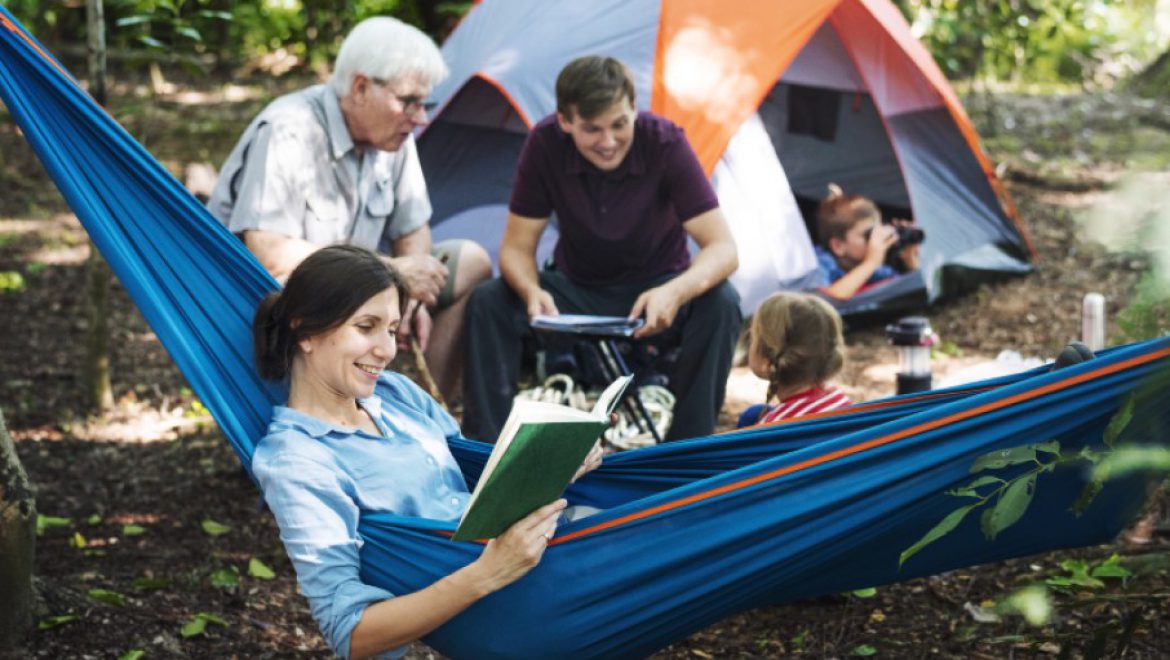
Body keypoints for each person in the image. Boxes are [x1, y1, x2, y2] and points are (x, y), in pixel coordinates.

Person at [250, 245, 603, 659]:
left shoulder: (395, 394)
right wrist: (487, 573)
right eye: (367, 326)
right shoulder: (298, 461)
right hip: (514, 601)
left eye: (392, 329)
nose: (386, 350)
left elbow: (474, 481)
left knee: (672, 517)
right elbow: (350, 634)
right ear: (305, 331)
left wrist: (554, 463)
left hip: (550, 551)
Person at [209, 17, 491, 402]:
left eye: (425, 103)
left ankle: (426, 416)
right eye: (409, 101)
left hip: (362, 291)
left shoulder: (394, 136)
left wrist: (412, 295)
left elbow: (413, 229)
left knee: (471, 261)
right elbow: (268, 251)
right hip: (282, 298)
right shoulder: (289, 130)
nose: (421, 117)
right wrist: (391, 271)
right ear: (360, 87)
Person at [461, 56, 741, 443]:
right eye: (592, 129)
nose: (608, 142)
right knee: (488, 302)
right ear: (565, 122)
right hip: (575, 289)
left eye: (619, 124)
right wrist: (531, 292)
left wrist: (675, 291)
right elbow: (515, 248)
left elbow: (724, 249)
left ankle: (688, 446)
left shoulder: (665, 142)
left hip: (657, 289)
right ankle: (486, 447)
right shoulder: (545, 144)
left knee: (722, 302)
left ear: (633, 109)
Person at [743, 291, 852, 425]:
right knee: (754, 414)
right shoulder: (838, 400)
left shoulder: (772, 428)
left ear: (767, 361)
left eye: (753, 337)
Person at [813, 184, 921, 300]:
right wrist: (871, 262)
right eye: (868, 235)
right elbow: (822, 301)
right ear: (838, 246)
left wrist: (909, 258)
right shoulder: (818, 264)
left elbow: (909, 289)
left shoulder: (875, 267)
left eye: (878, 229)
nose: (876, 240)